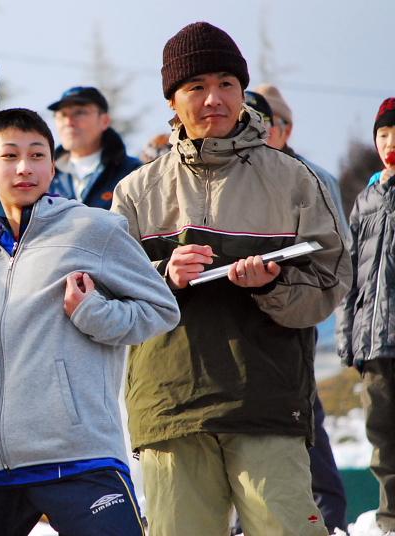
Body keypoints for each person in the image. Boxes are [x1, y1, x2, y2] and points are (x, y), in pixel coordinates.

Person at [0, 107, 179, 536]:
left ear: (52, 163)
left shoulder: (91, 230)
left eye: (37, 154)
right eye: (9, 156)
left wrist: (92, 312)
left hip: (76, 455)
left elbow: (160, 309)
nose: (25, 167)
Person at [111, 22, 350, 536]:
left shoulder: (293, 180)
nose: (213, 98)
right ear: (172, 101)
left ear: (243, 93)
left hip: (267, 398)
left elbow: (332, 278)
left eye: (226, 84)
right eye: (195, 87)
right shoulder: (135, 192)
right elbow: (111, 296)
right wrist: (164, 275)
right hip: (169, 404)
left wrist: (270, 285)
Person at [245, 89, 349, 533]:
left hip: (292, 316)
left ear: (279, 128)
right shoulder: (236, 176)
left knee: (302, 416)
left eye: (259, 121)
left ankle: (331, 517)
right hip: (238, 319)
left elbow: (333, 259)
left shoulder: (310, 177)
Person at [337, 97, 395, 535]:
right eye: (383, 134)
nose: (389, 142)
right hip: (375, 344)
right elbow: (348, 277)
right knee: (382, 437)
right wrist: (348, 339)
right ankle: (390, 518)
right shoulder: (366, 200)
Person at [254, 83, 350, 238]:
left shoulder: (317, 179)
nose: (261, 133)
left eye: (268, 124)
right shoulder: (235, 176)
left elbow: (339, 243)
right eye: (253, 124)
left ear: (287, 130)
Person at [47, 86, 141, 209]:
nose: (68, 122)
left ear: (105, 121)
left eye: (79, 112)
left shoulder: (132, 172)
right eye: (62, 115)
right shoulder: (45, 176)